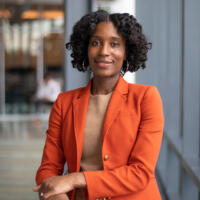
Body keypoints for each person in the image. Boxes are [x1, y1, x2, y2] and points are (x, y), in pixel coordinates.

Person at [33, 10, 164, 200]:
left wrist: (75, 179)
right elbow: (48, 168)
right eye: (96, 43)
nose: (104, 51)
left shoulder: (146, 98)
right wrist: (56, 196)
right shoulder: (64, 103)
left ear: (127, 52)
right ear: (85, 49)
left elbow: (140, 172)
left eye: (114, 44)